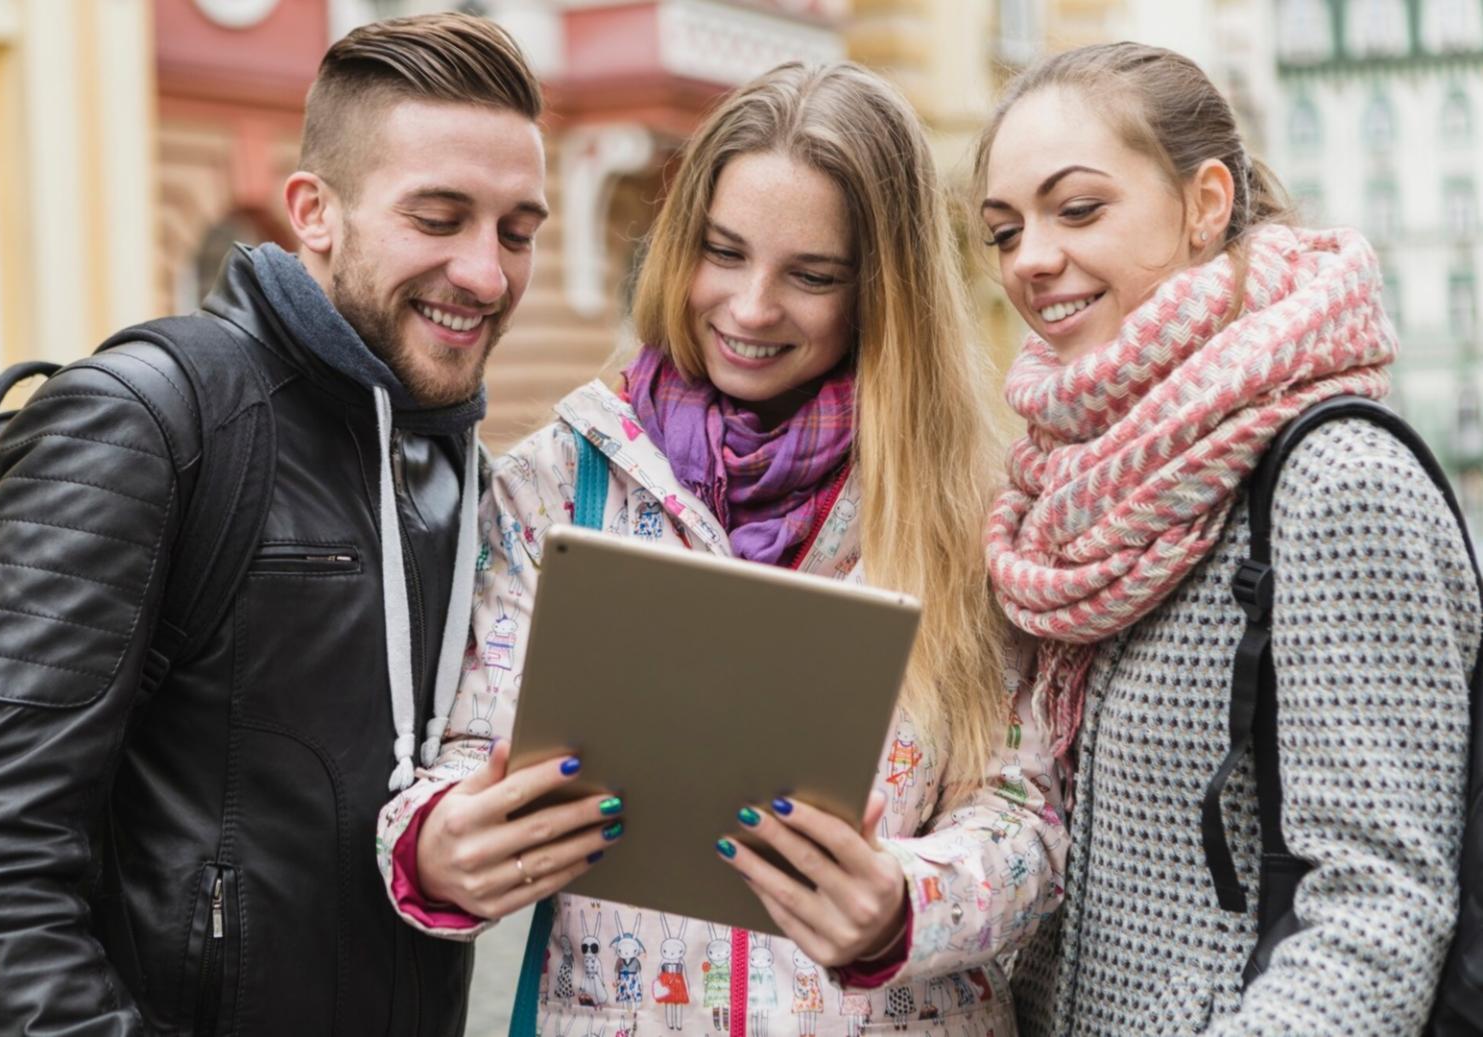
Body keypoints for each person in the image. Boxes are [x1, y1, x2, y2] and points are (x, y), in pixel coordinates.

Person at [376, 61, 1069, 1036]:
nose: (749, 308)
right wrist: (436, 844)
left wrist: (903, 900)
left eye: (811, 275)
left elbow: (1026, 814)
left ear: (884, 289)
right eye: (723, 252)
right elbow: (459, 754)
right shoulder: (557, 480)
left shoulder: (970, 504)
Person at [0, 14, 547, 1036]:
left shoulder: (451, 468)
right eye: (439, 218)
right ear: (313, 210)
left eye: (517, 232)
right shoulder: (145, 422)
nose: (486, 274)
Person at [974, 42, 1478, 1037]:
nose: (1030, 257)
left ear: (1206, 202)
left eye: (1076, 209)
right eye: (1003, 229)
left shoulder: (1336, 481)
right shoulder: (1062, 493)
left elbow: (1379, 902)